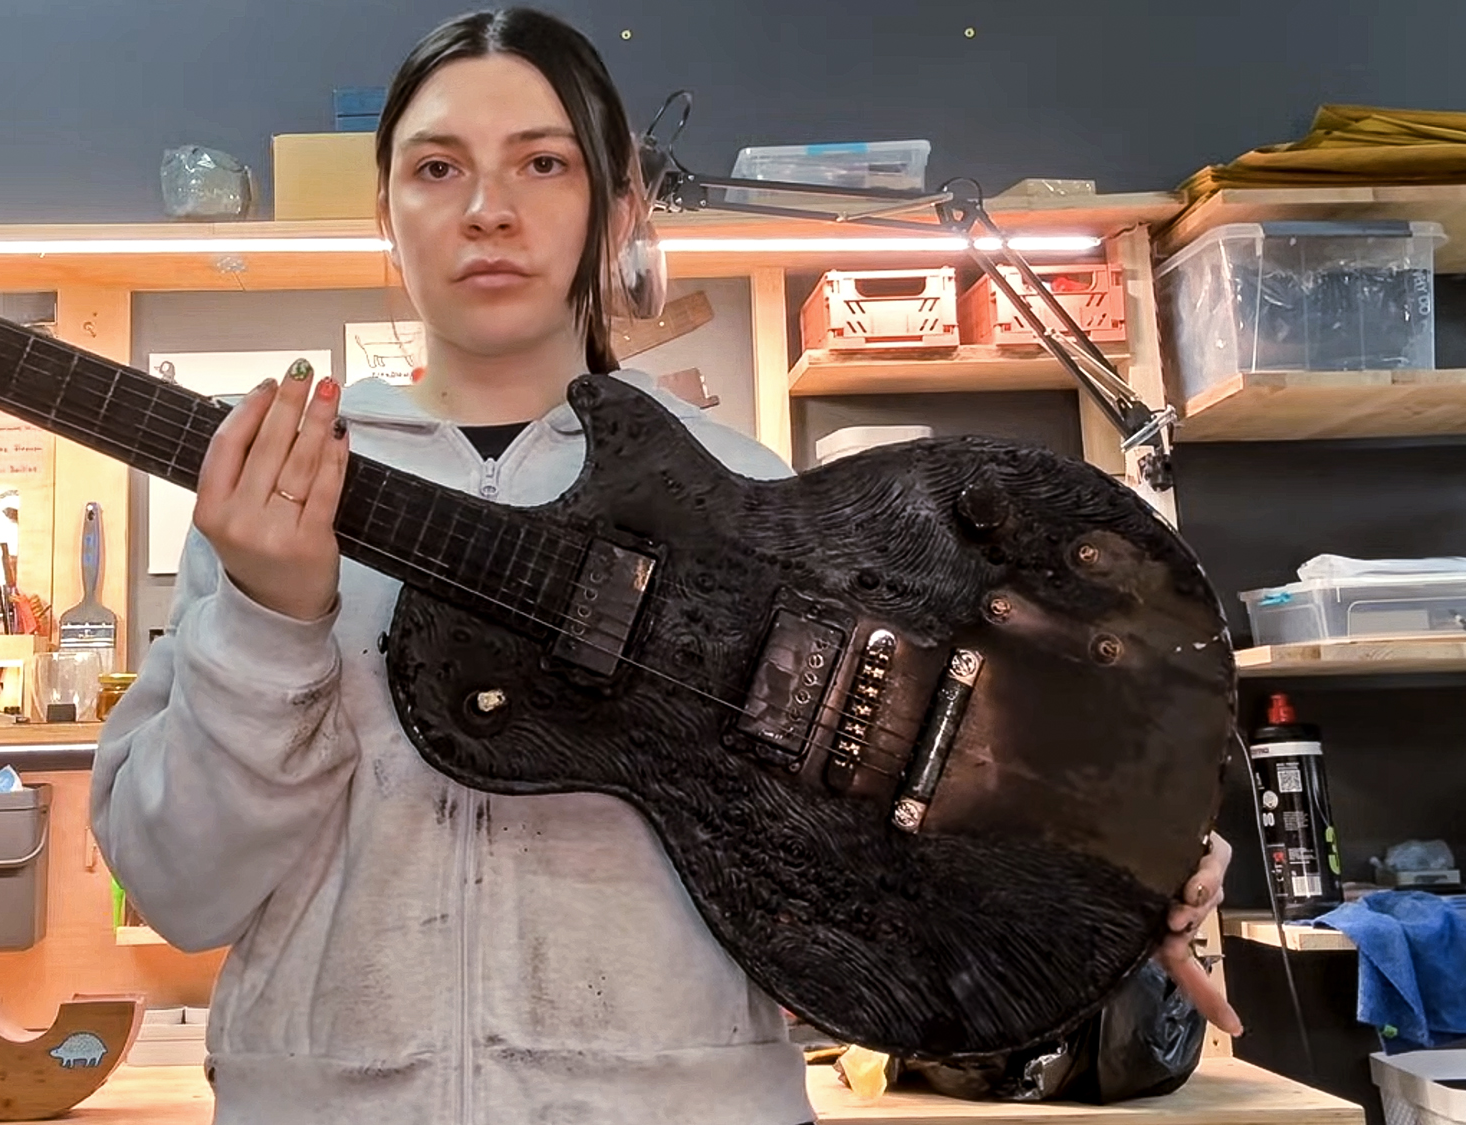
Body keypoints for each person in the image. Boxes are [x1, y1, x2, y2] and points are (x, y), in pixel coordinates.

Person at [90, 9, 1238, 1123]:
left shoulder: (742, 489)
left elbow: (903, 815)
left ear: (615, 205)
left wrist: (1120, 853)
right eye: (435, 170)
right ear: (386, 214)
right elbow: (183, 894)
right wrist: (267, 618)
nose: (487, 210)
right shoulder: (267, 506)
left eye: (541, 164)